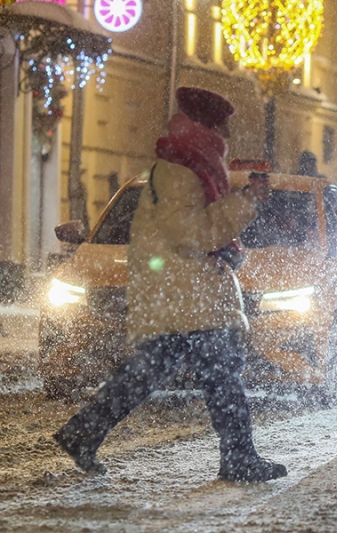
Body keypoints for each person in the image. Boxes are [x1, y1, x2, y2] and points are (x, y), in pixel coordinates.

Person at [53, 87, 286, 483]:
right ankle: (239, 458)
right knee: (221, 375)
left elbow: (193, 230)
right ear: (208, 125)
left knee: (149, 373)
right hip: (185, 295)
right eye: (223, 125)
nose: (227, 134)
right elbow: (192, 232)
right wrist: (245, 202)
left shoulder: (190, 166)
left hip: (181, 292)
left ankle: (83, 433)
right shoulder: (181, 170)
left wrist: (229, 243)